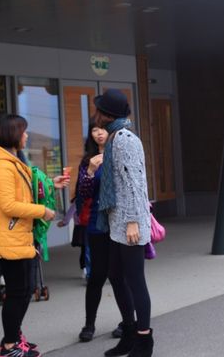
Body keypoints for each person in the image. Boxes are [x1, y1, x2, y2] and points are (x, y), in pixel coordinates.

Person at [0, 114, 70, 357]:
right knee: (18, 293)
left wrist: (51, 183)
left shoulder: (11, 161)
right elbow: (9, 205)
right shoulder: (1, 165)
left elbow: (25, 191)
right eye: (24, 131)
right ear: (13, 134)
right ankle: (10, 346)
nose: (27, 135)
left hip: (20, 236)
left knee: (25, 289)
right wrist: (44, 211)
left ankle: (14, 337)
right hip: (9, 238)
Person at [93, 89, 154, 357]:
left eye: (98, 110)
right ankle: (129, 332)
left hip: (131, 221)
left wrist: (132, 222)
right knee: (116, 276)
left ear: (106, 114)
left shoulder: (125, 139)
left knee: (135, 280)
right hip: (116, 221)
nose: (95, 115)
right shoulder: (115, 137)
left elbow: (134, 184)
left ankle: (144, 340)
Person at [72, 122, 123, 342]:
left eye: (103, 129)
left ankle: (128, 322)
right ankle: (89, 325)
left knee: (120, 276)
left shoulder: (120, 154)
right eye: (94, 129)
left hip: (119, 223)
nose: (99, 133)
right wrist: (91, 171)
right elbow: (81, 195)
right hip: (96, 223)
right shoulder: (88, 161)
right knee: (96, 277)